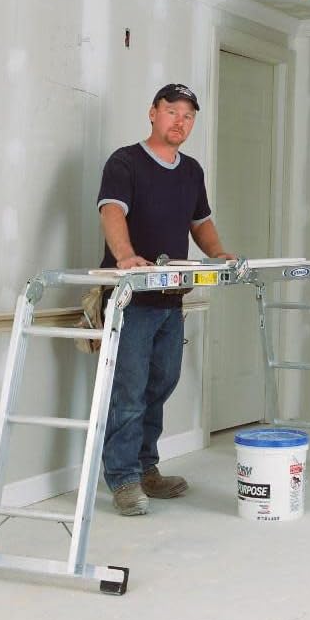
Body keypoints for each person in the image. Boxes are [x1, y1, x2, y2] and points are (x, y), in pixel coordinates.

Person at [97, 83, 234, 515]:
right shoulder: (125, 162)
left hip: (170, 297)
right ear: (153, 113)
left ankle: (146, 468)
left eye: (188, 115)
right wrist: (125, 257)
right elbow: (112, 210)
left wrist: (217, 254)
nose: (180, 121)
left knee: (163, 381)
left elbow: (201, 220)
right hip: (131, 298)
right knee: (130, 389)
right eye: (172, 111)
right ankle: (123, 478)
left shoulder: (191, 170)